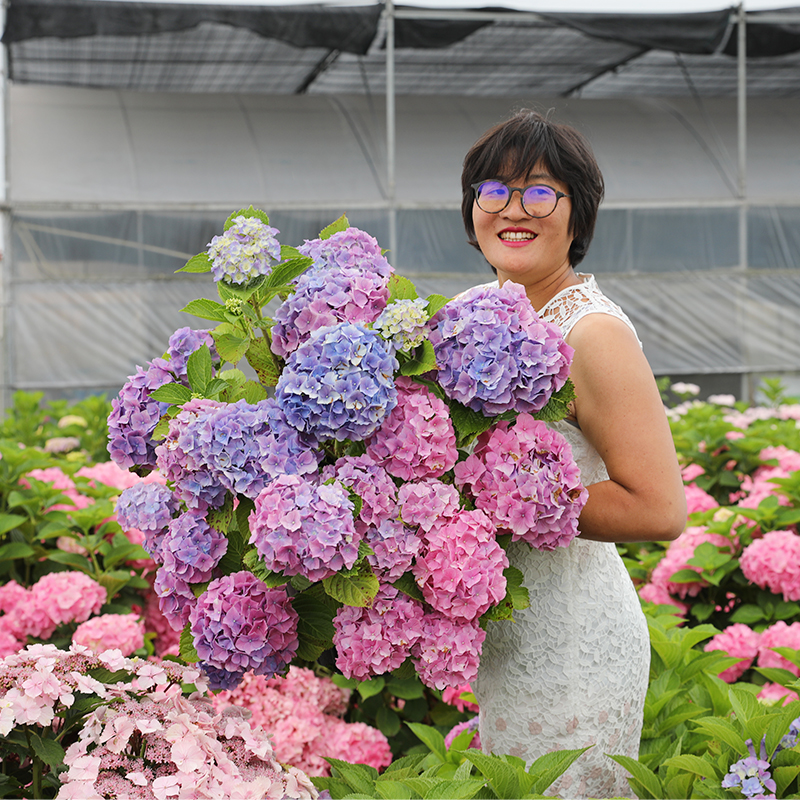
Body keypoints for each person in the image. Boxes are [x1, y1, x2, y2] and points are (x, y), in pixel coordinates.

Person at [463, 109, 687, 798]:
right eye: (492, 190)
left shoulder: (592, 333)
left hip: (571, 642)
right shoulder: (473, 309)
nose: (512, 209)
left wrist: (503, 502)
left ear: (578, 214)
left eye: (538, 191)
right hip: (506, 630)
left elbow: (659, 506)